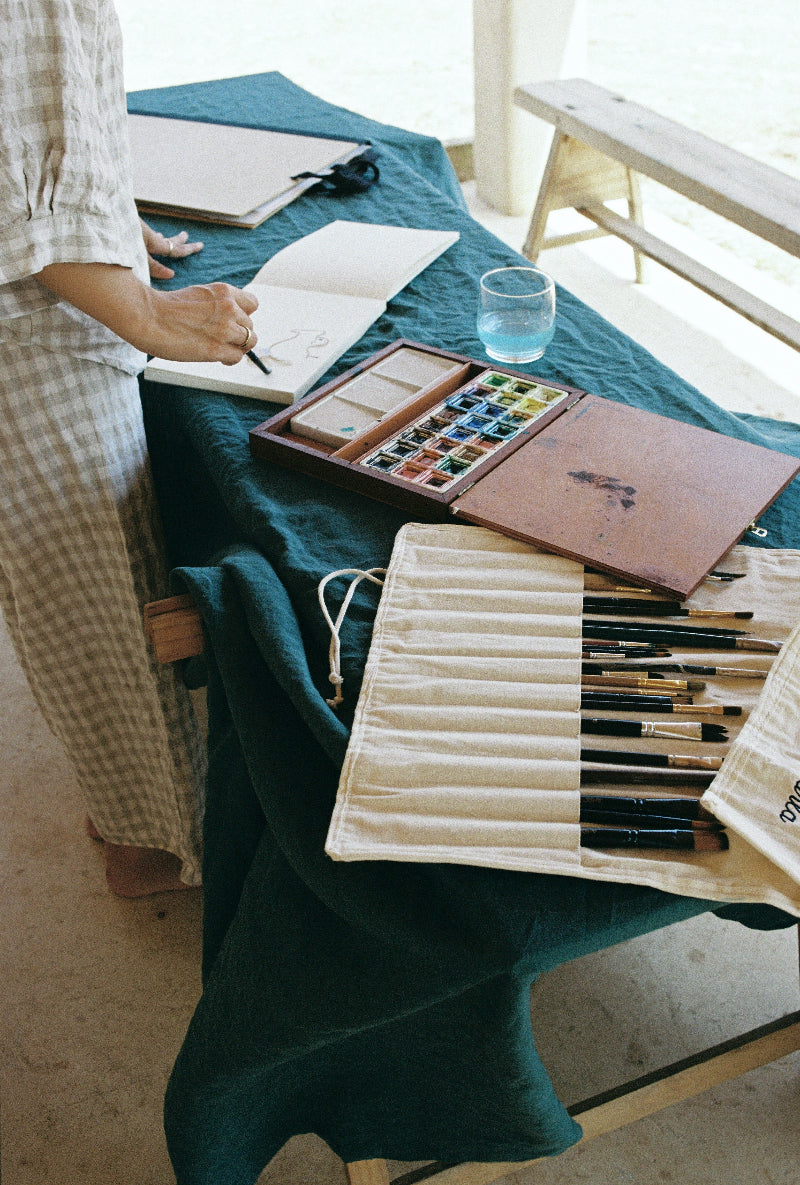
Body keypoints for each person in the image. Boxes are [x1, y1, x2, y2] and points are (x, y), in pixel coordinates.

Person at [0, 0, 258, 896]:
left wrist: (111, 217)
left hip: (47, 291)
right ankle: (150, 842)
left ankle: (138, 813)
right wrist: (147, 315)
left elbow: (33, 124)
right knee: (99, 599)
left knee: (80, 590)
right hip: (31, 334)